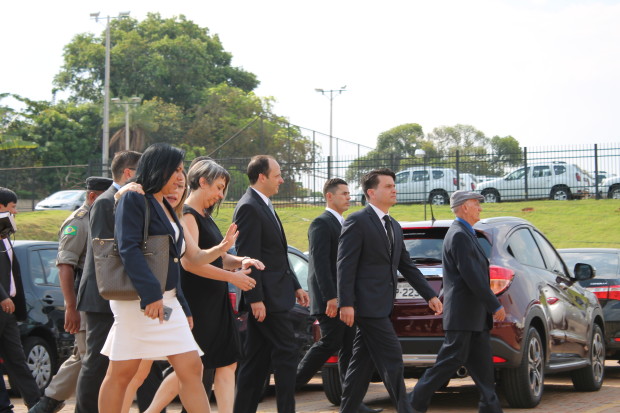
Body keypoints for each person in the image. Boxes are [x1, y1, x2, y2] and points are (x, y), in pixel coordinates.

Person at [98, 143, 234, 413]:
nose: (181, 177)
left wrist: (183, 304)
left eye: (182, 170)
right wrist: (151, 295)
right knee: (122, 372)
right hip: (140, 301)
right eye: (176, 170)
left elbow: (181, 260)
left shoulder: (167, 206)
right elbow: (128, 248)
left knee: (192, 367)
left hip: (168, 302)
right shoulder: (134, 198)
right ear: (159, 168)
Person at [145, 159, 262, 413]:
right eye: (219, 187)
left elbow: (219, 257)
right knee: (190, 367)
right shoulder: (187, 214)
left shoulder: (204, 216)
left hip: (215, 300)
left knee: (227, 362)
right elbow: (192, 264)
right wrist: (232, 278)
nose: (220, 195)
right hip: (198, 301)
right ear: (202, 182)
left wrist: (242, 260)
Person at [337, 169, 443, 413]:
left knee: (361, 363)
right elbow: (345, 264)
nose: (394, 189)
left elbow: (406, 264)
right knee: (392, 356)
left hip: (383, 305)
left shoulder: (393, 225)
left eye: (394, 185)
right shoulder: (357, 221)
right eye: (388, 186)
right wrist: (346, 302)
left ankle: (348, 409)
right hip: (365, 305)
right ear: (371, 192)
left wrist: (429, 294)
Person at [409, 190, 506, 413]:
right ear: (464, 207)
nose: (480, 208)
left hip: (474, 317)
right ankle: (412, 402)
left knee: (483, 368)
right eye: (476, 204)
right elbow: (472, 276)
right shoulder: (459, 235)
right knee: (449, 361)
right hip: (464, 316)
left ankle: (490, 408)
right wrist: (494, 305)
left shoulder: (466, 233)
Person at [295, 178, 381, 413]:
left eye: (349, 193)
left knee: (348, 348)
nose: (348, 197)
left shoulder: (345, 223)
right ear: (329, 196)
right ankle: (290, 384)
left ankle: (351, 402)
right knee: (330, 342)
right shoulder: (321, 224)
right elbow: (320, 264)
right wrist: (331, 297)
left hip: (346, 300)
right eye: (343, 193)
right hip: (330, 300)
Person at [232, 155, 309, 413]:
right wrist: (255, 299)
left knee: (255, 362)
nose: (281, 180)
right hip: (267, 299)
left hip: (276, 293)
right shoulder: (249, 207)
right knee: (287, 352)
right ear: (262, 177)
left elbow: (277, 255)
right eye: (277, 175)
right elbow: (249, 256)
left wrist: (296, 285)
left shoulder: (264, 204)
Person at [28, 177, 112, 413]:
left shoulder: (101, 218)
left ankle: (48, 402)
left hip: (100, 301)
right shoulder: (79, 222)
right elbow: (65, 266)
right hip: (84, 301)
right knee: (90, 361)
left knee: (84, 357)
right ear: (93, 197)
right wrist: (71, 307)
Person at [75, 150, 142, 413]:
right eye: (141, 172)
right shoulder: (105, 202)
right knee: (97, 363)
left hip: (120, 294)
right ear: (128, 173)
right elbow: (107, 251)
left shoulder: (129, 200)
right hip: (102, 294)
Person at [0, 187, 41, 410]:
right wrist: (2, 296)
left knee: (16, 357)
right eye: (12, 207)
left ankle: (36, 403)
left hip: (9, 310)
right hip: (2, 303)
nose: (15, 211)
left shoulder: (5, 234)